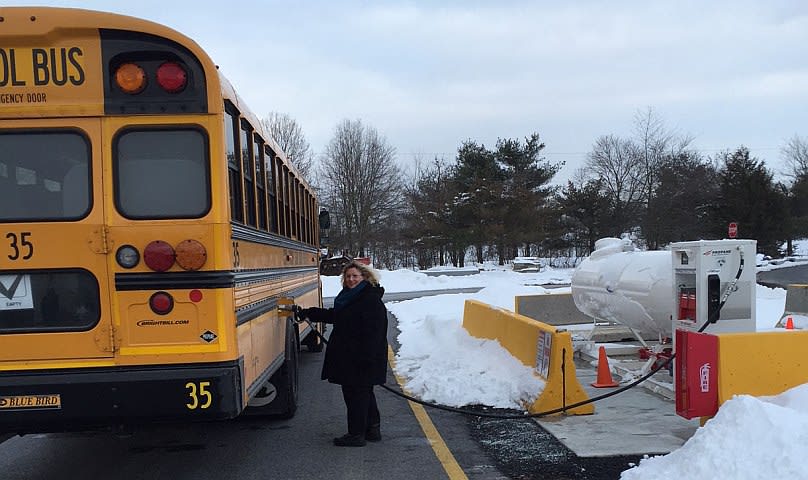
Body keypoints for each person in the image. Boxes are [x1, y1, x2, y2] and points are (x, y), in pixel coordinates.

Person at [300, 260, 388, 447]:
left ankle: (356, 435)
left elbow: (375, 332)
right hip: (352, 356)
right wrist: (310, 313)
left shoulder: (369, 299)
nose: (351, 279)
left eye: (355, 276)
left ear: (364, 277)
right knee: (364, 393)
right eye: (348, 276)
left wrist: (366, 358)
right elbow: (337, 316)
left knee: (355, 395)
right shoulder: (351, 296)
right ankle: (372, 430)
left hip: (361, 357)